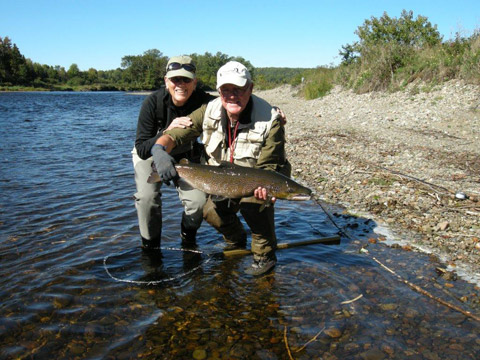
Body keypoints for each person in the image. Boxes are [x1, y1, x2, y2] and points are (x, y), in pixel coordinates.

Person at [151, 61, 291, 276]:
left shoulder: (270, 119)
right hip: (224, 176)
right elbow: (176, 135)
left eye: (239, 89)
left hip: (263, 175)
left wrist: (265, 189)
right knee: (209, 211)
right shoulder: (208, 110)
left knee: (254, 204)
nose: (232, 95)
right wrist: (160, 151)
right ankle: (236, 240)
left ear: (250, 88)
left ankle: (264, 255)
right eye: (226, 90)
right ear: (218, 91)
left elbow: (269, 166)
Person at [132, 55, 216, 250]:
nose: (180, 84)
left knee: (197, 202)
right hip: (151, 153)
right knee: (147, 198)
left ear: (194, 82)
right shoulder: (152, 103)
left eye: (186, 80)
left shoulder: (204, 100)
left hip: (186, 153)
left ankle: (188, 237)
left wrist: (271, 110)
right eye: (175, 79)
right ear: (166, 81)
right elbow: (142, 149)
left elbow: (234, 100)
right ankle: (150, 247)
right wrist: (166, 131)